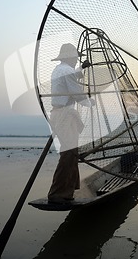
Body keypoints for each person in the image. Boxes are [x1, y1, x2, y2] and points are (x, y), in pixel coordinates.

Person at [47, 43, 93, 204]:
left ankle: (69, 190)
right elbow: (76, 93)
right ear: (70, 57)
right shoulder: (66, 71)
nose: (76, 60)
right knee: (68, 153)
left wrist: (82, 68)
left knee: (71, 152)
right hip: (64, 115)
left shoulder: (61, 69)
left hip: (60, 114)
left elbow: (72, 76)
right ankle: (58, 194)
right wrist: (91, 103)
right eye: (75, 58)